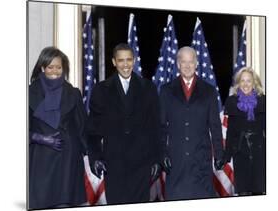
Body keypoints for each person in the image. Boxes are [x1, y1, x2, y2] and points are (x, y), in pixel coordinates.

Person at [84, 43, 162, 204]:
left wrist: (156, 159)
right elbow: (92, 130)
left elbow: (155, 127)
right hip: (114, 164)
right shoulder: (101, 90)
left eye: (128, 60)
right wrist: (95, 157)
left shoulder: (148, 88)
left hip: (142, 164)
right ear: (114, 62)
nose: (125, 64)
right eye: (121, 60)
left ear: (134, 61)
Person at [159, 46, 224, 201]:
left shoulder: (209, 91)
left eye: (191, 62)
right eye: (183, 62)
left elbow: (215, 126)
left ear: (196, 63)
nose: (187, 66)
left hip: (201, 162)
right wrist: (162, 154)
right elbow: (161, 126)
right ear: (178, 64)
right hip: (175, 163)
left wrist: (220, 154)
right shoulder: (166, 90)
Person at [29, 46, 87, 209]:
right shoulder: (27, 93)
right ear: (42, 67)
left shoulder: (74, 93)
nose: (55, 71)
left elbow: (83, 128)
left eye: (59, 67)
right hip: (40, 161)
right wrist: (39, 138)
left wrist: (93, 155)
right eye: (50, 67)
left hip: (68, 162)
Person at [224, 67, 266, 196]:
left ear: (254, 83)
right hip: (240, 152)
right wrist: (227, 155)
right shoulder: (232, 102)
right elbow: (230, 132)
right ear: (238, 83)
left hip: (260, 153)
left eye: (249, 81)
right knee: (243, 193)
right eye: (242, 81)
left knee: (260, 191)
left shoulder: (263, 101)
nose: (246, 84)